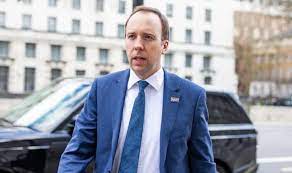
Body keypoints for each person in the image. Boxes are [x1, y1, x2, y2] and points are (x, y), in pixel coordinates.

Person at [58, 6, 216, 173]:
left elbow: (203, 164)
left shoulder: (192, 96)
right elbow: (76, 153)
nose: (138, 45)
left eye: (148, 37)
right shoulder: (102, 89)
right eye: (131, 36)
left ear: (164, 45)